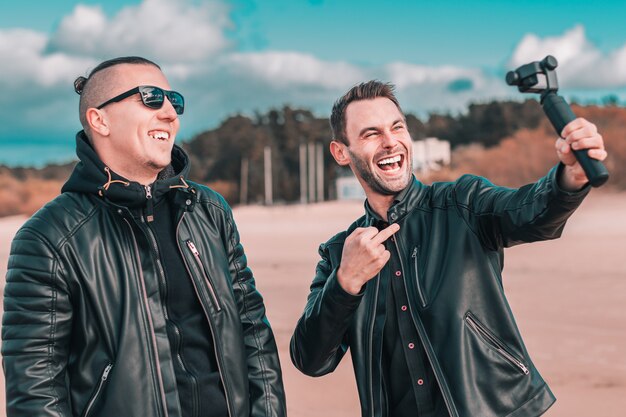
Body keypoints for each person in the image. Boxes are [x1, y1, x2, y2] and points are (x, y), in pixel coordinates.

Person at [290, 80, 607, 417]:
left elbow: (530, 212)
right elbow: (311, 359)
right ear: (341, 152)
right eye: (371, 134)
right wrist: (345, 283)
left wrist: (569, 177)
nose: (390, 142)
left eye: (397, 127)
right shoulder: (341, 254)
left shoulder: (461, 203)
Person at [2, 56, 286, 417]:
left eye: (174, 101)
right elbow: (35, 390)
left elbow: (254, 337)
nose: (170, 113)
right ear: (99, 119)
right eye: (150, 97)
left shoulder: (209, 211)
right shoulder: (49, 237)